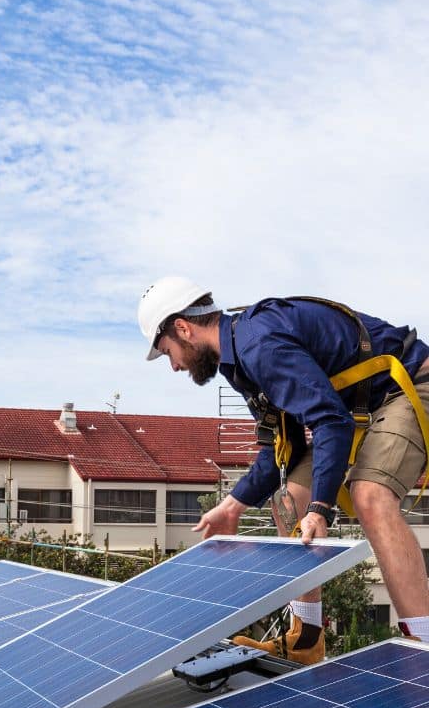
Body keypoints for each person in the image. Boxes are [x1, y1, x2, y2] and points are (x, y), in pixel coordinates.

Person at [138, 276, 429, 662]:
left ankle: (423, 647)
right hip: (354, 409)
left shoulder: (259, 345)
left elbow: (330, 422)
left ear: (182, 328)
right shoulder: (238, 360)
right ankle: (306, 641)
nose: (173, 366)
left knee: (369, 495)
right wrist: (232, 507)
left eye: (167, 351)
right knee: (289, 500)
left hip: (406, 384)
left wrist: (320, 509)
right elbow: (281, 450)